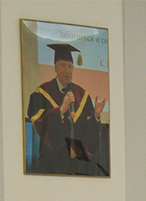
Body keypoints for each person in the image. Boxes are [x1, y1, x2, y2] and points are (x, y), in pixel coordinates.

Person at [26, 43, 107, 175]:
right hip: (52, 158)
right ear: (55, 68)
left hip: (77, 159)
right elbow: (38, 119)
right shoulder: (42, 92)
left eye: (70, 66)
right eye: (63, 65)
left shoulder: (82, 94)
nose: (67, 70)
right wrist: (61, 110)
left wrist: (96, 116)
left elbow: (88, 132)